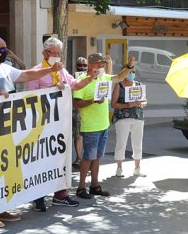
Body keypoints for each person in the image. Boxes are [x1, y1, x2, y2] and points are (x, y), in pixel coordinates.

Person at [0, 35, 64, 227]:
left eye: (5, 48)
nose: (4, 52)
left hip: (8, 127)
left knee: (4, 167)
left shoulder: (4, 68)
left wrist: (50, 70)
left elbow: (26, 75)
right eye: (1, 48)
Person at [25, 38, 96, 211]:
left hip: (60, 123)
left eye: (59, 53)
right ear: (45, 53)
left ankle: (60, 195)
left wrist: (90, 77)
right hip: (41, 124)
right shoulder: (36, 71)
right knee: (40, 161)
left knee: (59, 159)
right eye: (53, 53)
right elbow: (29, 97)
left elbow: (75, 85)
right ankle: (38, 197)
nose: (57, 56)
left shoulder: (62, 71)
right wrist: (52, 89)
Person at [73, 53, 135, 199]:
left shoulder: (103, 77)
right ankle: (81, 188)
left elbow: (119, 77)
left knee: (97, 157)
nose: (102, 66)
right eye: (99, 64)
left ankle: (95, 185)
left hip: (103, 125)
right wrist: (93, 101)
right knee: (88, 158)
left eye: (103, 64)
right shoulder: (81, 80)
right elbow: (76, 103)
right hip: (90, 127)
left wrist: (129, 66)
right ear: (90, 65)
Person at [111, 67, 148, 178]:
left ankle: (137, 168)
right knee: (121, 142)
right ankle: (119, 168)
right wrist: (128, 105)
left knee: (138, 142)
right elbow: (113, 104)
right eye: (129, 72)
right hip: (122, 118)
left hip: (138, 117)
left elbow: (145, 100)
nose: (131, 74)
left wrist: (141, 104)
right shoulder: (119, 85)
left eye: (133, 72)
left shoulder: (138, 85)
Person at [72, 57, 88, 166]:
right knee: (77, 136)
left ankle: (88, 160)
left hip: (90, 110)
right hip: (77, 111)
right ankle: (78, 158)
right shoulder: (72, 78)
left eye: (84, 65)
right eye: (79, 65)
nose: (82, 67)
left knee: (88, 136)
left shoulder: (91, 77)